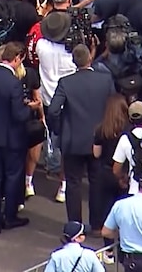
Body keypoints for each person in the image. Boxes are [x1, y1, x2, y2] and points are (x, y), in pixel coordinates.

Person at [46, 44, 115, 230]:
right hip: (98, 140)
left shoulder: (66, 82)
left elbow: (53, 111)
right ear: (90, 58)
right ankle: (97, 223)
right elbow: (114, 108)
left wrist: (59, 129)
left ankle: (75, 225)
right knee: (96, 182)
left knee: (74, 183)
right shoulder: (105, 81)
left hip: (73, 140)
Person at [0, 41, 38, 234]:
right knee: (13, 177)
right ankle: (10, 216)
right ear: (17, 58)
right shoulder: (14, 83)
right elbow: (19, 115)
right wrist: (30, 108)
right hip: (12, 137)